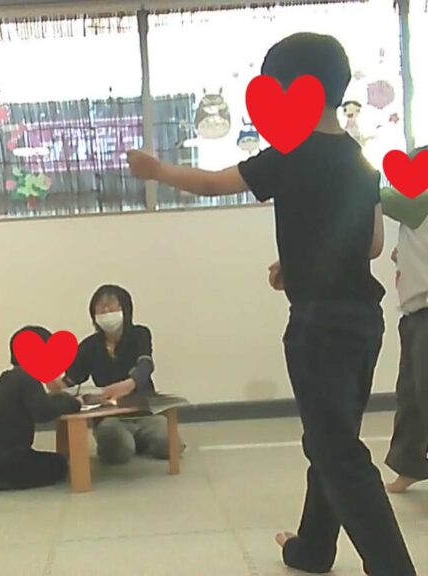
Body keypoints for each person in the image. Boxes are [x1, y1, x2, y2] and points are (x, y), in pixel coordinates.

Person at [127, 33, 415, 576]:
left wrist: (157, 171)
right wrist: (301, 262)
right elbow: (372, 244)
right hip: (363, 321)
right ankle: (313, 549)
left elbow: (214, 182)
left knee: (336, 450)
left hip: (319, 325)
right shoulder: (360, 161)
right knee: (330, 438)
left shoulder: (290, 153)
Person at [59, 284, 177, 466]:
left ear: (125, 309)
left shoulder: (140, 334)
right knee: (118, 451)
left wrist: (128, 384)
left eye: (112, 305)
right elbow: (70, 380)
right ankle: (130, 442)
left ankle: (140, 440)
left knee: (169, 445)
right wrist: (49, 378)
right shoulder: (88, 346)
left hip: (144, 411)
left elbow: (146, 365)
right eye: (101, 307)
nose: (106, 311)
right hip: (109, 417)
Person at [0, 326, 82, 490]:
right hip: (11, 464)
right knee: (60, 463)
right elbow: (44, 411)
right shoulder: (28, 379)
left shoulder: (3, 380)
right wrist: (75, 403)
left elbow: (40, 402)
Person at [381, 145, 428, 494]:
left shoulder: (418, 202)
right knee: (411, 393)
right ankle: (409, 465)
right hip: (414, 313)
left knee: (422, 393)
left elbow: (379, 196)